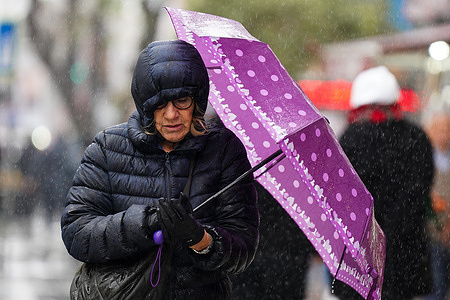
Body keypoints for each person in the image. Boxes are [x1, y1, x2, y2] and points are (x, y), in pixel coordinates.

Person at [61, 40, 259, 299]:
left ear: (197, 100)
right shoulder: (107, 148)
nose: (171, 114)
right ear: (144, 105)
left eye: (182, 101)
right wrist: (145, 223)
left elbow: (243, 245)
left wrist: (199, 239)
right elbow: (77, 233)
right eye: (159, 104)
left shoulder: (224, 151)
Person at [333, 66, 434, 299]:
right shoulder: (417, 138)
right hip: (404, 258)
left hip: (360, 260)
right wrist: (392, 236)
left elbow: (343, 200)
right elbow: (417, 197)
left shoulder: (350, 140)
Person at [423, 107, 450, 300]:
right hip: (433, 236)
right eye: (439, 128)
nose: (444, 133)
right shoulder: (423, 158)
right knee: (436, 289)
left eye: (447, 128)